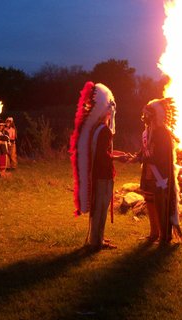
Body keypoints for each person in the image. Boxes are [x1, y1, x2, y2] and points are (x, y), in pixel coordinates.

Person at [70, 81, 121, 251]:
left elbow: (101, 151)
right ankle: (96, 241)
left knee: (97, 208)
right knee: (100, 208)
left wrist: (116, 154)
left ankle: (96, 238)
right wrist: (117, 159)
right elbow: (102, 155)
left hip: (96, 174)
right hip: (103, 175)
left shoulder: (96, 129)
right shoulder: (104, 131)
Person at [136, 98, 182, 244]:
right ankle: (154, 233)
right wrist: (136, 156)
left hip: (160, 177)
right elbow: (145, 149)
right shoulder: (148, 131)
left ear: (155, 116)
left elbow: (162, 158)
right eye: (145, 115)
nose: (145, 118)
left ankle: (164, 236)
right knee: (149, 200)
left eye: (148, 115)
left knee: (161, 204)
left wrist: (146, 159)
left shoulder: (163, 133)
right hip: (149, 174)